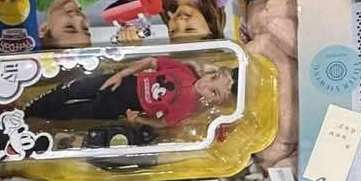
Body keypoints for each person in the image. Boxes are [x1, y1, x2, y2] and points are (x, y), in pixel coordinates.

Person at [24, 55, 239, 132]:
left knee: (77, 112)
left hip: (124, 106)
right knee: (75, 88)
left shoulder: (188, 107)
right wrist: (122, 73)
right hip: (126, 83)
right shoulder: (184, 71)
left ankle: (34, 116)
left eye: (213, 91)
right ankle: (32, 107)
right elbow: (151, 61)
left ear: (213, 101)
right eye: (213, 78)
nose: (206, 84)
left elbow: (163, 123)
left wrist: (138, 120)